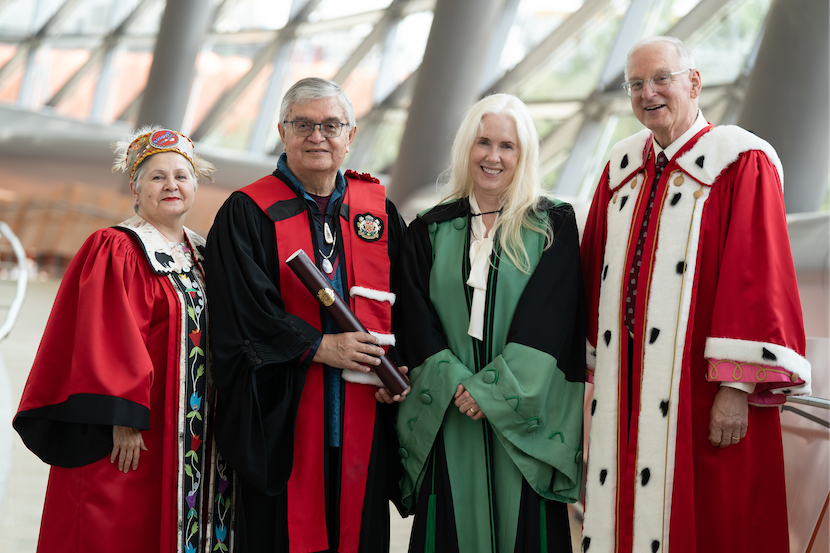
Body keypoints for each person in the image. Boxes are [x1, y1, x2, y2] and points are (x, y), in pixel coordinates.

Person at [580, 36, 812, 553]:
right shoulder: (621, 169)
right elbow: (591, 267)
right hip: (628, 386)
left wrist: (735, 389)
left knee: (708, 520)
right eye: (636, 84)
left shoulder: (739, 162)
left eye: (661, 78)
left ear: (694, 81)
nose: (649, 93)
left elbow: (758, 280)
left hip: (702, 392)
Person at [205, 77, 408, 553]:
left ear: (351, 135)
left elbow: (411, 300)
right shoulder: (248, 211)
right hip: (286, 416)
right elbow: (241, 308)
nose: (318, 136)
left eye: (331, 125)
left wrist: (401, 365)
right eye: (303, 125)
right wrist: (318, 346)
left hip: (363, 415)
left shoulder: (377, 212)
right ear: (282, 131)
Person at [14, 127, 234, 552]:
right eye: (157, 177)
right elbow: (105, 336)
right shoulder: (118, 247)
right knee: (116, 529)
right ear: (135, 187)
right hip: (133, 433)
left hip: (193, 433)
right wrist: (124, 417)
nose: (171, 185)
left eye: (181, 176)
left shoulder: (205, 254)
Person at [395, 93, 585, 553]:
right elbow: (413, 317)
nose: (493, 157)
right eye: (483, 143)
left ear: (525, 154)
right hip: (449, 408)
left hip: (522, 416)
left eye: (507, 146)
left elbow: (552, 319)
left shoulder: (551, 225)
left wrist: (491, 392)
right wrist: (458, 384)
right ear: (467, 148)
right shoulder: (429, 229)